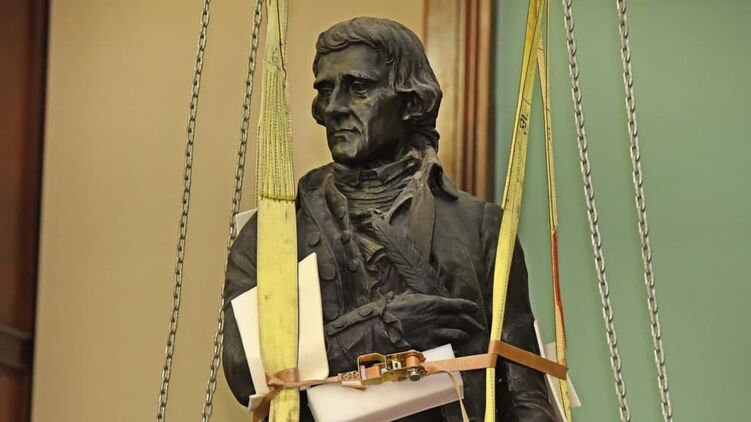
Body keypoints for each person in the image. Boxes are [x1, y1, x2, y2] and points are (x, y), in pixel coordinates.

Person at [223, 16, 556, 421]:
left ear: (411, 102)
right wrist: (382, 327)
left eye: (358, 87)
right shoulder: (274, 233)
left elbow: (524, 391)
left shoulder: (481, 228)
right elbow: (245, 373)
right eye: (325, 90)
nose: (334, 107)